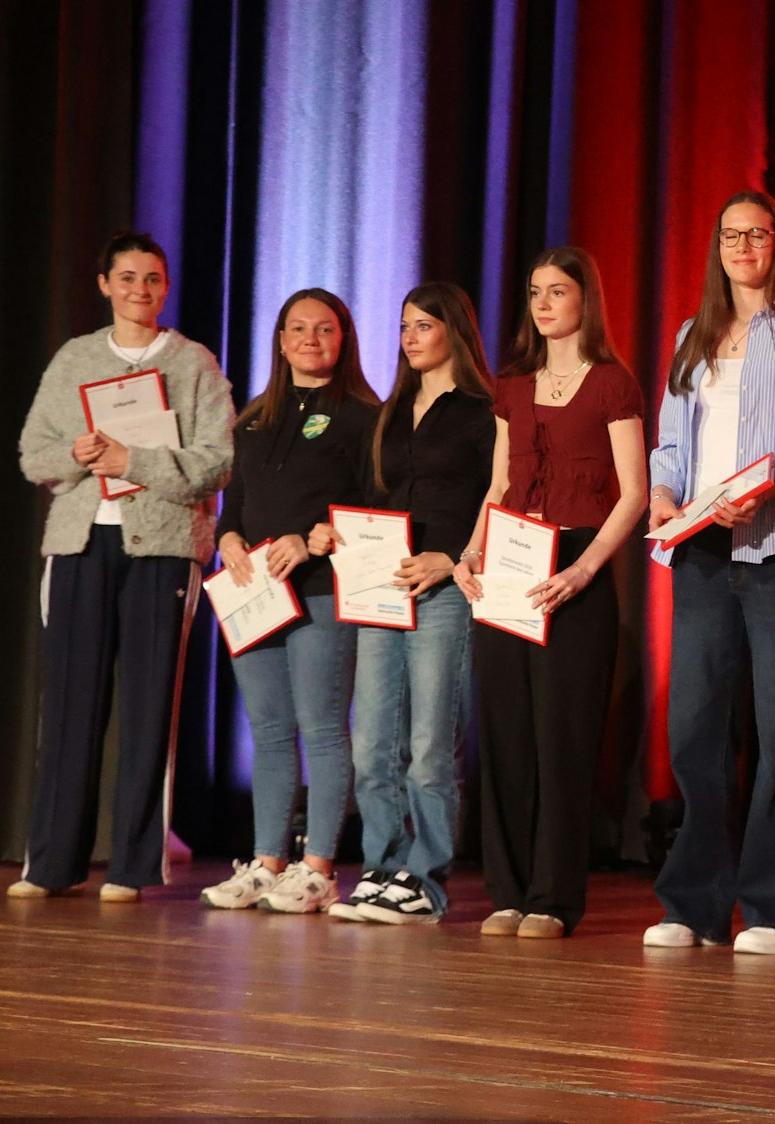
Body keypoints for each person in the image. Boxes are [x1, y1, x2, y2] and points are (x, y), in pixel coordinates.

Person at [642, 191, 775, 954]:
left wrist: (759, 494)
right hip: (699, 552)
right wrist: (666, 492)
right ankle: (691, 905)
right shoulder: (691, 335)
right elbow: (670, 442)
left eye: (757, 234)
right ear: (716, 247)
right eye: (730, 234)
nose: (743, 246)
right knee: (695, 731)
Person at [13, 232, 234, 902]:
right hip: (81, 544)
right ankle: (50, 863)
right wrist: (80, 455)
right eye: (129, 278)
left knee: (147, 709)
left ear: (166, 288)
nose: (142, 290)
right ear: (104, 284)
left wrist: (131, 463)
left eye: (154, 280)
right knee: (70, 707)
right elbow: (33, 456)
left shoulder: (193, 362)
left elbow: (217, 462)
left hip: (161, 547)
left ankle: (135, 865)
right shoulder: (75, 358)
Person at [455, 246, 648, 940]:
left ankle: (553, 898)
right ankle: (508, 892)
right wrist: (471, 551)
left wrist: (586, 569)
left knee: (562, 741)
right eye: (534, 290)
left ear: (583, 301)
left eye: (557, 291)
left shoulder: (611, 383)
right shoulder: (511, 385)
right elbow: (500, 484)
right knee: (506, 734)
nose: (542, 303)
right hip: (508, 558)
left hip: (573, 563)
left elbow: (635, 494)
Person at [308, 282, 496, 924]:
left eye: (423, 325)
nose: (410, 336)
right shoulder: (390, 410)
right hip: (383, 589)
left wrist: (454, 557)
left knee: (431, 742)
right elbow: (370, 495)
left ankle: (426, 878)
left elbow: (495, 499)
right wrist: (338, 533)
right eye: (404, 325)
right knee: (373, 743)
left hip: (443, 590)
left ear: (454, 332)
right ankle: (382, 869)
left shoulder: (480, 411)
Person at [197, 289, 377, 914]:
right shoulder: (252, 419)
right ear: (279, 340)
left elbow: (375, 508)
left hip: (323, 591)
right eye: (297, 329)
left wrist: (314, 538)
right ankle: (266, 861)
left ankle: (319, 867)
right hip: (257, 596)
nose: (310, 339)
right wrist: (228, 538)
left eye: (324, 329)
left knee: (323, 730)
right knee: (270, 732)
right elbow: (235, 503)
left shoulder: (362, 417)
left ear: (343, 338)